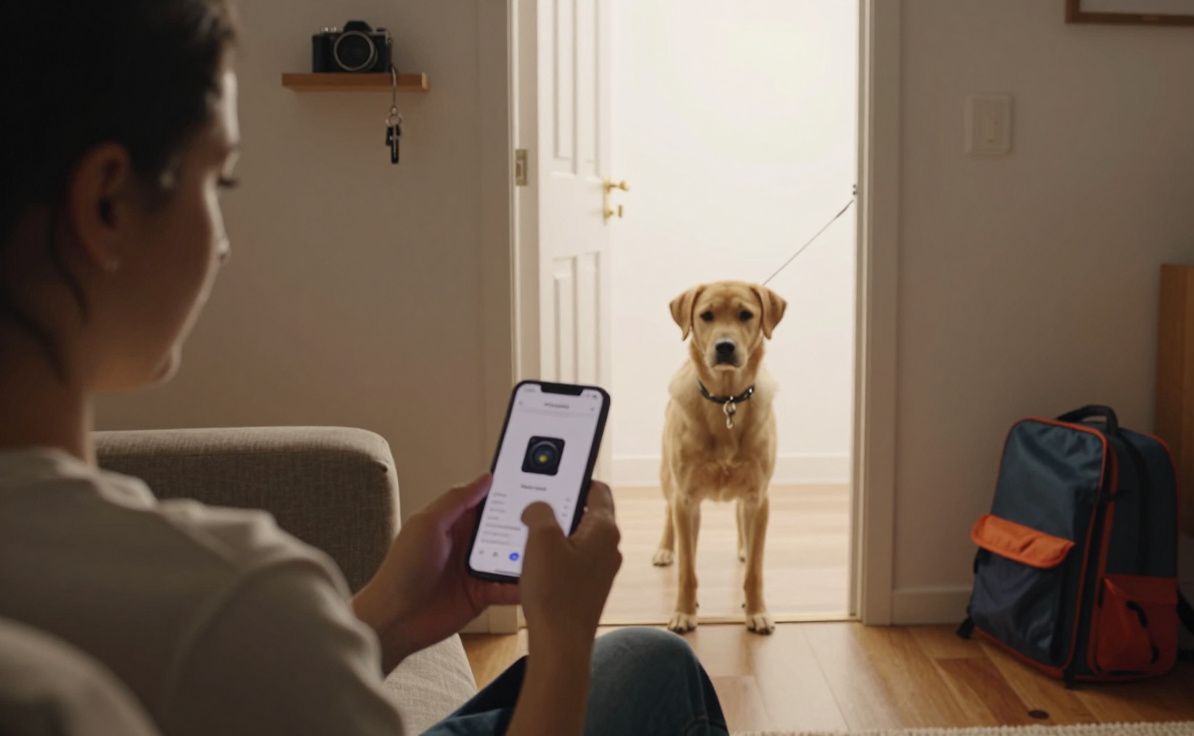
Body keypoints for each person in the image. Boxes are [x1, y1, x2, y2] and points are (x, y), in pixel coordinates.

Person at [0, 1, 728, 734]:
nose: (221, 245)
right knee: (661, 670)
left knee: (647, 660)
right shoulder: (230, 600)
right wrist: (563, 639)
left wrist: (390, 614)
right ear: (106, 205)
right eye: (219, 182)